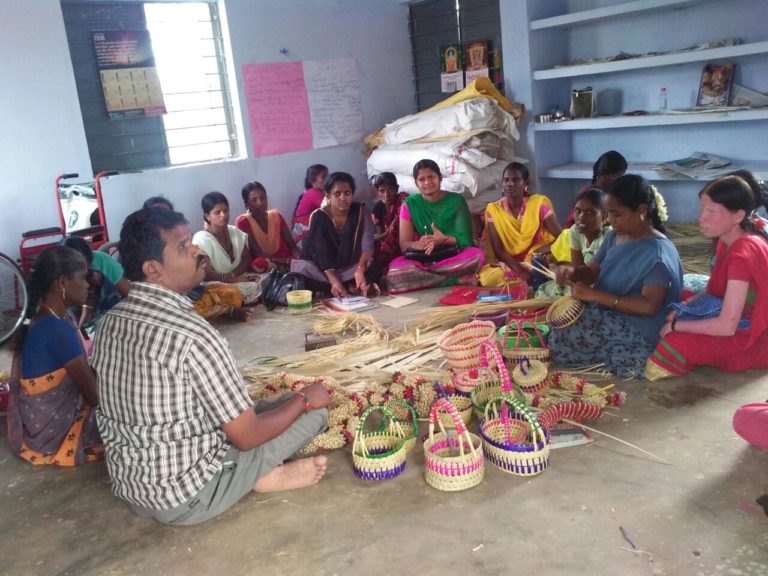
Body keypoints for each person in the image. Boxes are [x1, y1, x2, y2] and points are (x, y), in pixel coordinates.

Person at [92, 208, 330, 525]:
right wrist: (306, 399)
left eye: (191, 241)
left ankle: (253, 471)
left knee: (276, 404)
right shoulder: (195, 336)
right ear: (153, 269)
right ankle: (257, 476)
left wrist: (292, 400)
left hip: (132, 486)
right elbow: (247, 437)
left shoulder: (109, 322)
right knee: (314, 413)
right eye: (183, 247)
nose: (196, 251)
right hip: (186, 498)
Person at [549, 174, 683, 378]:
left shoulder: (657, 253)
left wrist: (594, 295)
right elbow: (591, 272)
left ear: (641, 211)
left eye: (617, 214)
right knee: (559, 325)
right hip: (609, 311)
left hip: (639, 326)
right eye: (608, 213)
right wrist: (572, 273)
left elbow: (649, 306)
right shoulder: (615, 236)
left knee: (567, 334)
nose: (610, 220)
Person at [645, 175, 768, 380]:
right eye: (702, 209)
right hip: (733, 314)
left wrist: (676, 326)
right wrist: (687, 304)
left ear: (738, 215)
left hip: (754, 337)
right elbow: (715, 289)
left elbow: (727, 326)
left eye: (711, 212)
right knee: (673, 296)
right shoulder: (726, 240)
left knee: (674, 345)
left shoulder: (742, 255)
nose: (701, 218)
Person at [7, 246, 102, 466]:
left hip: (37, 427)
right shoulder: (57, 329)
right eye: (82, 277)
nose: (87, 284)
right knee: (125, 412)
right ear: (62, 282)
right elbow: (95, 397)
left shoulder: (50, 317)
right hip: (54, 433)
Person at [384, 159, 484, 293]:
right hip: (425, 258)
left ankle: (427, 279)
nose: (427, 182)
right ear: (416, 183)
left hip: (453, 255)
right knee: (395, 272)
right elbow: (404, 244)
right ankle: (455, 280)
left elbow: (466, 240)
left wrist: (444, 240)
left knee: (476, 256)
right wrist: (416, 245)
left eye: (431, 177)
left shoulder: (456, 201)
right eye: (422, 179)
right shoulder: (409, 205)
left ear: (440, 178)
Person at [291, 172, 381, 297]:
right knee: (302, 270)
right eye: (337, 194)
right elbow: (322, 255)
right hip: (323, 270)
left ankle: (340, 287)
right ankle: (344, 287)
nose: (343, 198)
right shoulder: (319, 216)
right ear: (328, 195)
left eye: (347, 193)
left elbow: (367, 247)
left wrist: (360, 269)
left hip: (350, 267)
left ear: (352, 194)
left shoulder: (361, 211)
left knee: (375, 265)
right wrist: (334, 280)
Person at [478, 162, 562, 287]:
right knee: (487, 278)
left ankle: (533, 277)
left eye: (516, 180)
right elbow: (499, 250)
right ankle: (529, 278)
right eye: (506, 180)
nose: (510, 184)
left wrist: (538, 252)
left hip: (535, 260)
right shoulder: (494, 210)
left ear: (526, 183)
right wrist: (519, 270)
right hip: (510, 263)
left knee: (554, 268)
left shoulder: (538, 205)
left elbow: (561, 237)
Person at [536, 187, 610, 299]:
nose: (581, 217)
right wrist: (567, 273)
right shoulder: (575, 232)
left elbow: (602, 276)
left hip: (602, 286)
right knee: (545, 289)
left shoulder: (609, 236)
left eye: (590, 212)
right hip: (584, 281)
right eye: (578, 211)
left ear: (604, 215)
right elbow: (579, 269)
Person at [193, 191, 263, 305]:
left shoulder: (234, 232)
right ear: (207, 216)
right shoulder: (201, 239)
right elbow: (207, 275)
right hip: (217, 284)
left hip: (237, 276)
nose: (223, 215)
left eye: (226, 211)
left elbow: (246, 258)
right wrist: (232, 279)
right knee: (229, 291)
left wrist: (234, 275)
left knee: (265, 280)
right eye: (217, 212)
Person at [61, 236, 130, 331]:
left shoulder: (102, 261)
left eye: (87, 268)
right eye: (81, 276)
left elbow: (129, 295)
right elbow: (82, 329)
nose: (86, 282)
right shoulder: (65, 284)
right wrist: (90, 298)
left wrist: (104, 284)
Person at [235, 181, 300, 273]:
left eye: (262, 198)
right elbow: (257, 254)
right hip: (270, 262)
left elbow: (292, 245)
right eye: (254, 200)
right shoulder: (243, 221)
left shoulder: (276, 216)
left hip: (286, 258)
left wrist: (300, 259)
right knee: (259, 263)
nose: (260, 203)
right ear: (246, 204)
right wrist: (287, 262)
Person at [565, 151, 627, 227]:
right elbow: (573, 223)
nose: (621, 179)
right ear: (602, 174)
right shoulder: (586, 195)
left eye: (622, 174)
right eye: (618, 175)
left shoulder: (616, 194)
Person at [371, 172, 408, 272]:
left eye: (390, 190)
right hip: (389, 244)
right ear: (377, 192)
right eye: (382, 191)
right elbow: (381, 236)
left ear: (396, 189)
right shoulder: (377, 209)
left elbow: (403, 215)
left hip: (406, 237)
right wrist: (387, 233)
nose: (386, 195)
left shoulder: (403, 199)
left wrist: (391, 228)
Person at [291, 164, 329, 248]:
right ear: (313, 180)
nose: (328, 179)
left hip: (307, 235)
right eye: (323, 177)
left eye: (328, 176)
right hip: (304, 239)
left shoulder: (315, 192)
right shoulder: (313, 193)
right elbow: (331, 209)